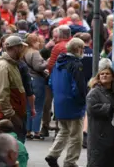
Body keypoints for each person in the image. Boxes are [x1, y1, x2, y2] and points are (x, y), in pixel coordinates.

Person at [45, 38, 87, 167]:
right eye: (83, 48)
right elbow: (79, 87)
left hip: (59, 103)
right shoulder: (76, 65)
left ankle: (52, 154)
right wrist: (82, 102)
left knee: (64, 131)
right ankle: (70, 162)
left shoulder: (58, 63)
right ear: (78, 49)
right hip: (73, 105)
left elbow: (51, 83)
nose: (83, 51)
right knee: (76, 136)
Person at [0, 36, 27, 141]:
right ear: (15, 48)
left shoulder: (12, 64)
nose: (23, 51)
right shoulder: (4, 66)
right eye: (21, 47)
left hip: (15, 114)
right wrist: (12, 116)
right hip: (9, 118)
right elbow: (2, 94)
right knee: (13, 149)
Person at [43, 25, 72, 136]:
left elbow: (50, 65)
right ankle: (61, 128)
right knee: (63, 103)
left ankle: (46, 127)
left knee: (48, 103)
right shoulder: (74, 44)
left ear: (60, 35)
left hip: (55, 78)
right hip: (70, 80)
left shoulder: (58, 47)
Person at [23, 34, 48, 140]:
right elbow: (38, 67)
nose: (39, 43)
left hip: (28, 80)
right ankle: (36, 132)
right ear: (33, 42)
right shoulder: (35, 52)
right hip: (37, 80)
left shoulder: (24, 52)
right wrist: (47, 63)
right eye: (38, 41)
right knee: (37, 107)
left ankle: (28, 131)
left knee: (29, 108)